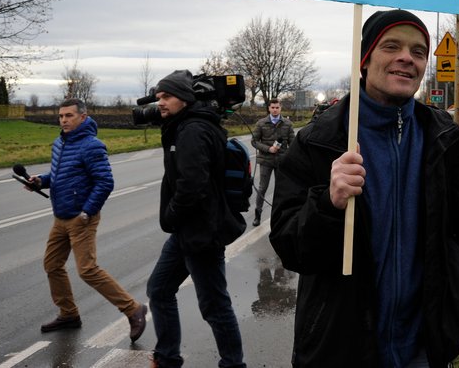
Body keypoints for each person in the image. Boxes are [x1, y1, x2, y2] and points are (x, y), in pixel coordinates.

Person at [270, 10, 459, 368]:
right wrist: (328, 204)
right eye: (391, 46)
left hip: (422, 351)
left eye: (419, 51)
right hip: (341, 350)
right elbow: (290, 248)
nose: (407, 57)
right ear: (364, 60)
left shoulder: (447, 142)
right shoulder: (319, 142)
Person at [145, 70, 246, 368]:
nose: (159, 102)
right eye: (158, 97)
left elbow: (193, 186)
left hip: (201, 232)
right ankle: (167, 357)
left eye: (166, 97)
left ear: (185, 98)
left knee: (214, 305)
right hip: (188, 232)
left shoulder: (193, 130)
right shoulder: (190, 125)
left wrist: (172, 216)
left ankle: (233, 364)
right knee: (159, 289)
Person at [30, 98, 147, 341]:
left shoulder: (91, 145)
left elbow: (105, 182)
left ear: (83, 117)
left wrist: (87, 212)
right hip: (60, 216)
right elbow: (59, 174)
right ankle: (69, 314)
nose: (63, 120)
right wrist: (40, 181)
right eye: (61, 116)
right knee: (52, 265)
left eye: (69, 116)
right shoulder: (60, 143)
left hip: (81, 217)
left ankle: (133, 309)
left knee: (87, 270)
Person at [250, 97, 295, 227]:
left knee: (281, 190)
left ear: (280, 108)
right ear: (269, 108)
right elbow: (254, 141)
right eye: (273, 107)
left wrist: (290, 157)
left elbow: (293, 143)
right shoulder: (261, 123)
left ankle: (279, 216)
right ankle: (257, 215)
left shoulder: (287, 124)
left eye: (277, 107)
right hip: (266, 160)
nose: (275, 110)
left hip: (281, 161)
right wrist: (268, 149)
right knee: (262, 188)